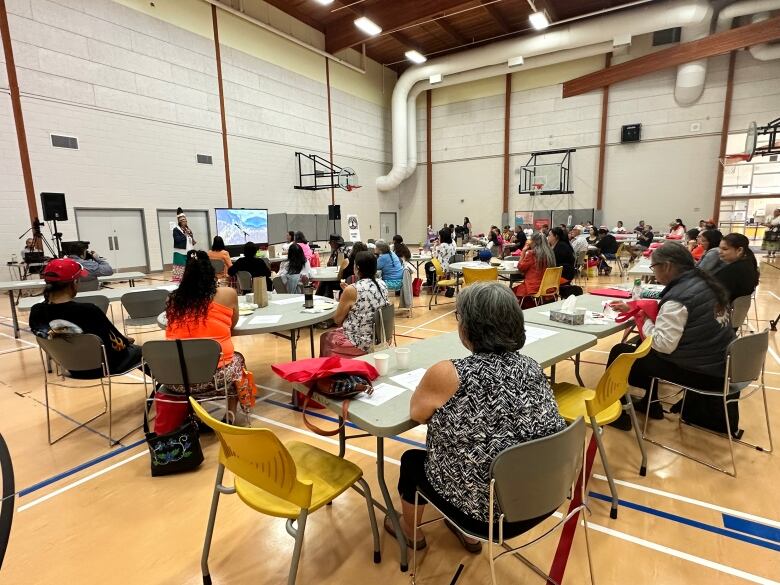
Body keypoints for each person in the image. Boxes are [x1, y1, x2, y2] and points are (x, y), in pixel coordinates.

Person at [390, 282, 566, 552]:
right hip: (540, 498)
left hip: (486, 517)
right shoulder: (531, 365)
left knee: (412, 461)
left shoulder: (449, 373)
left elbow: (417, 413)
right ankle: (465, 533)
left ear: (469, 326)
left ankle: (412, 531)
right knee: (485, 455)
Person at [607, 244, 735, 432]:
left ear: (666, 266)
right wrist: (637, 310)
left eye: (654, 267)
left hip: (700, 372)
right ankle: (650, 403)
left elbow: (663, 345)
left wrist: (641, 316)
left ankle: (613, 411)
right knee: (640, 345)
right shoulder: (704, 282)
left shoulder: (678, 298)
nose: (654, 272)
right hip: (717, 363)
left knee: (621, 351)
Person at [29, 258, 143, 378]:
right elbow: (117, 345)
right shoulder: (88, 310)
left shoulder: (37, 311)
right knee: (146, 351)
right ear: (74, 283)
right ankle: (162, 388)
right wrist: (124, 340)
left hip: (70, 366)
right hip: (103, 367)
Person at [165, 251, 243, 417]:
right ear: (211, 272)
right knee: (238, 360)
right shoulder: (227, 294)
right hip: (213, 376)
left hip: (177, 379)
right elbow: (232, 324)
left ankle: (195, 412)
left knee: (191, 357)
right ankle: (231, 413)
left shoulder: (172, 300)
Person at [319, 251, 389, 357]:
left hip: (360, 341)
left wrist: (346, 294)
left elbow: (337, 319)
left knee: (326, 337)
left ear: (357, 268)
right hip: (378, 336)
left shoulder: (352, 290)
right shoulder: (382, 283)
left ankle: (331, 370)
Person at [713, 233, 759, 302]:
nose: (720, 252)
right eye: (719, 248)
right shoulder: (748, 263)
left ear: (739, 250)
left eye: (725, 249)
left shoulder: (734, 270)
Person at [513, 232, 555, 305]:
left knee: (511, 292)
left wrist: (523, 251)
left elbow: (520, 268)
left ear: (534, 242)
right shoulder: (550, 253)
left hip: (533, 287)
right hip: (549, 287)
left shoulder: (532, 254)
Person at [172, 208, 196, 283]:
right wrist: (185, 234)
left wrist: (191, 236)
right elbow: (177, 240)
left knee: (191, 270)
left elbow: (191, 240)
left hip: (190, 252)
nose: (184, 221)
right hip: (180, 253)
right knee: (180, 272)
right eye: (182, 220)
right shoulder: (176, 229)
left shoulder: (188, 229)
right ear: (179, 221)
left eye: (185, 220)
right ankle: (178, 286)